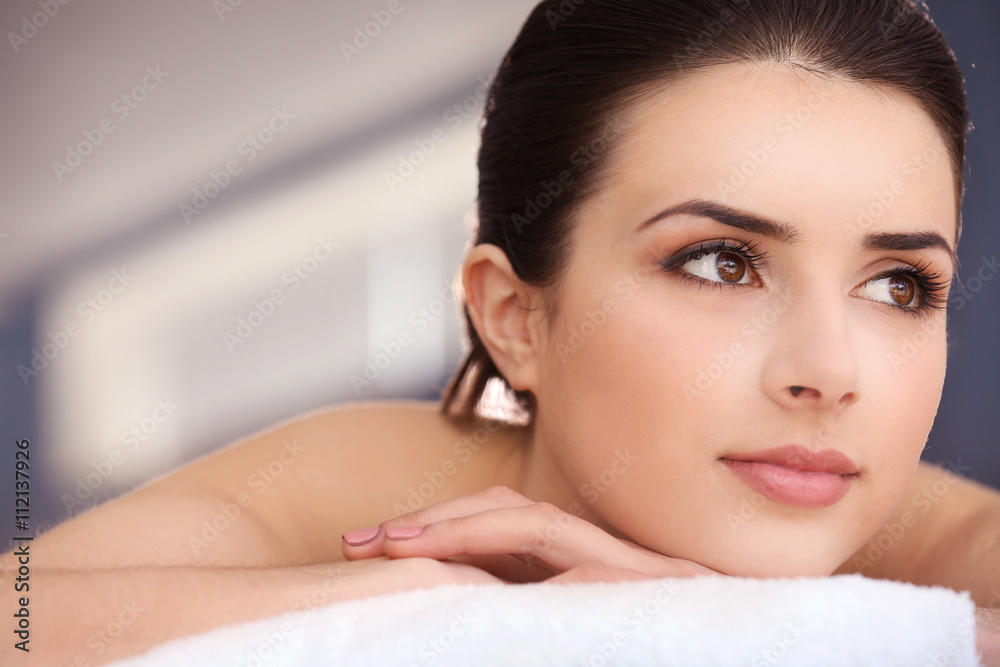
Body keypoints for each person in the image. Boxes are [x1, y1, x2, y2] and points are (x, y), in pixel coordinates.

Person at [3, 0, 999, 663]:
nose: (828, 372)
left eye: (901, 285)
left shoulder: (935, 531)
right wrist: (441, 591)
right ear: (514, 318)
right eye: (720, 262)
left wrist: (716, 614)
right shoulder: (381, 486)